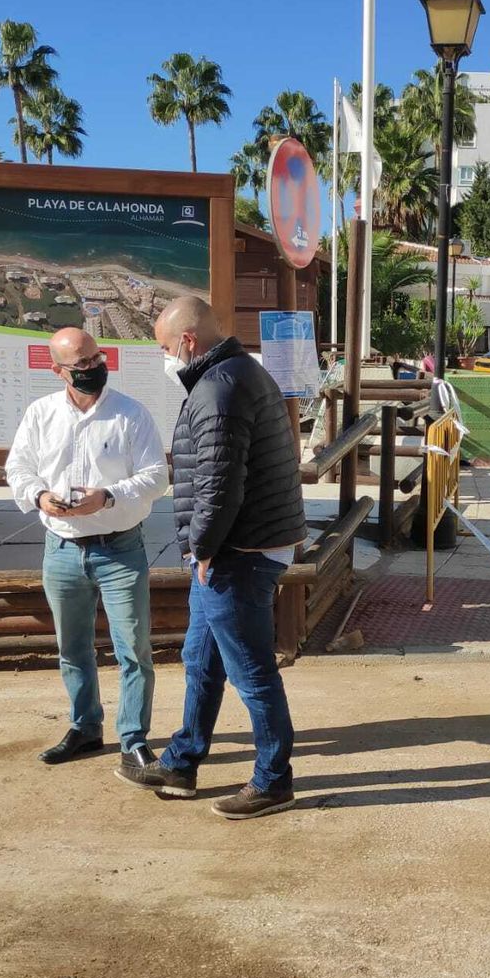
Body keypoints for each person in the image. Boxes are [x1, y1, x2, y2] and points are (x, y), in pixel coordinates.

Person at [118, 296, 307, 820]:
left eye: (163, 347)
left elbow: (220, 484)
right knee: (201, 662)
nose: (164, 357)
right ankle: (182, 761)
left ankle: (273, 780)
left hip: (237, 553)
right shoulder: (230, 375)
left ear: (187, 341)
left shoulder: (219, 388)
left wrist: (202, 547)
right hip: (236, 548)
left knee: (251, 671)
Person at [5, 327, 168, 769]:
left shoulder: (131, 414)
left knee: (133, 647)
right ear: (57, 370)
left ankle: (133, 737)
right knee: (72, 646)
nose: (95, 368)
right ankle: (85, 727)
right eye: (82, 365)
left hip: (119, 548)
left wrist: (108, 496)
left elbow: (157, 476)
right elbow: (17, 466)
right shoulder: (40, 414)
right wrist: (39, 495)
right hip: (60, 547)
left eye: (97, 359)